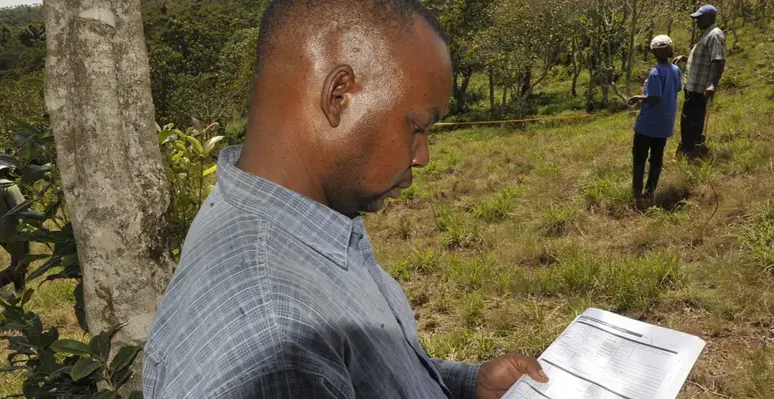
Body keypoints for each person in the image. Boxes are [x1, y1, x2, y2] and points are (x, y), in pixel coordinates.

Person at [143, 1, 548, 398]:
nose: (422, 156)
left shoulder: (292, 223)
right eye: (418, 127)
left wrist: (464, 386)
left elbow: (358, 374)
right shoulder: (278, 342)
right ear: (338, 95)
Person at [628, 35, 682, 208]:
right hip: (665, 124)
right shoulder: (675, 70)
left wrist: (637, 97)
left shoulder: (655, 72)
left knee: (639, 158)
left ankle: (637, 196)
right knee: (657, 158)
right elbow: (678, 88)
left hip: (648, 124)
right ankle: (650, 192)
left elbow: (654, 97)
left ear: (653, 52)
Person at [672, 4, 726, 159]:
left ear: (709, 18)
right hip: (692, 86)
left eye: (699, 18)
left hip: (699, 88)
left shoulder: (715, 35)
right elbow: (704, 59)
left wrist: (712, 84)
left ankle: (692, 152)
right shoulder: (707, 34)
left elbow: (718, 61)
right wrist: (685, 58)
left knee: (693, 121)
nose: (696, 22)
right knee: (687, 120)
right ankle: (688, 149)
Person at [0, 161, 30, 292]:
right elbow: (22, 209)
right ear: (5, 171)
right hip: (15, 232)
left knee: (17, 260)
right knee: (21, 264)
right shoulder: (10, 187)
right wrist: (38, 224)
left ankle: (20, 291)